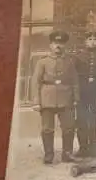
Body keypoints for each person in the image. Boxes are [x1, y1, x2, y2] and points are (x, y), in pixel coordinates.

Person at [31, 30, 79, 164]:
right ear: (50, 45)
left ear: (65, 45)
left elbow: (75, 81)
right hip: (47, 98)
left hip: (66, 98)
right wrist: (36, 101)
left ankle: (67, 153)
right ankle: (48, 154)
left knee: (69, 127)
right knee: (47, 128)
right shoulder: (43, 62)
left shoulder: (69, 61)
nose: (58, 46)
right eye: (55, 43)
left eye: (61, 43)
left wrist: (76, 98)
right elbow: (36, 81)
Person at [73, 31, 96, 157]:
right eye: (90, 39)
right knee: (81, 120)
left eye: (95, 39)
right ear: (85, 41)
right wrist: (75, 95)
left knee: (94, 120)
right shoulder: (78, 57)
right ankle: (83, 147)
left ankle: (94, 147)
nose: (93, 41)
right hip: (82, 93)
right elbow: (74, 77)